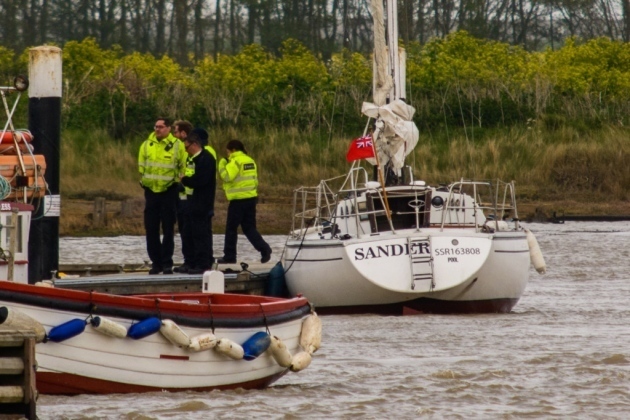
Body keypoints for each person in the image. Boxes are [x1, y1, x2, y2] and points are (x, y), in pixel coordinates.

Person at [138, 117, 187, 275]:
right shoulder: (146, 145)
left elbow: (183, 166)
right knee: (151, 229)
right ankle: (155, 263)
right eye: (155, 126)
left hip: (169, 191)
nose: (157, 129)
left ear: (168, 129)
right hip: (151, 191)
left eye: (161, 127)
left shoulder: (177, 145)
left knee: (168, 229)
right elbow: (141, 166)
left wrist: (179, 180)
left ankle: (167, 263)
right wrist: (144, 180)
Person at [217, 139, 272, 264]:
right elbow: (255, 180)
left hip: (238, 200)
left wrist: (221, 165)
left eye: (228, 152)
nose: (227, 155)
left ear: (233, 150)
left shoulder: (235, 161)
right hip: (251, 198)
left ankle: (229, 256)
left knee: (231, 229)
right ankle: (264, 249)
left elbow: (227, 176)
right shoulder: (250, 160)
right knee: (249, 228)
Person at [180, 130, 216, 274]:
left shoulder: (206, 158)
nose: (186, 151)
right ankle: (191, 262)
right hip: (191, 202)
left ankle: (203, 264)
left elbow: (201, 181)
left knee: (201, 234)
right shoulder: (193, 159)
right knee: (189, 233)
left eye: (187, 147)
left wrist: (185, 180)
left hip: (202, 203)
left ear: (195, 144)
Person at [172, 120, 194, 273]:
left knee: (188, 231)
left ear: (183, 134)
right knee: (184, 230)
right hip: (181, 196)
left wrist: (182, 183)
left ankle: (191, 262)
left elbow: (189, 172)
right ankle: (189, 261)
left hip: (188, 198)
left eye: (176, 131)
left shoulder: (188, 151)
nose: (174, 134)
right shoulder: (181, 149)